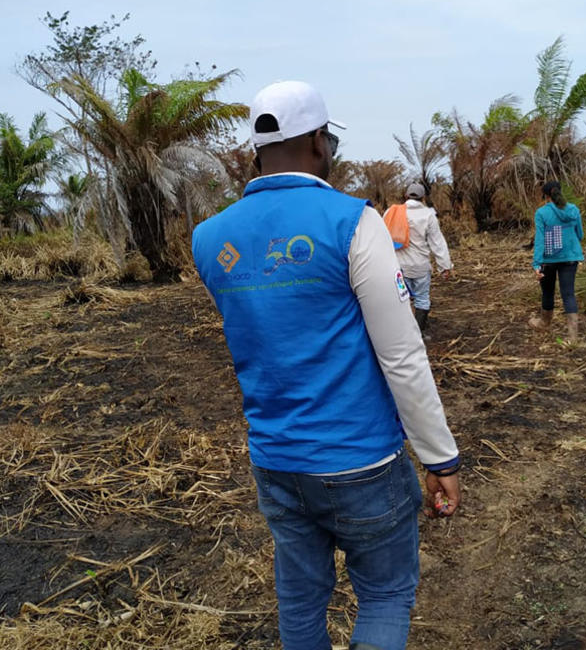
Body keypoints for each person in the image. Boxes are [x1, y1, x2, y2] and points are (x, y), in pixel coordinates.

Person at [191, 80, 461, 650]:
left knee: (301, 602)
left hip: (276, 464)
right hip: (361, 462)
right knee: (385, 596)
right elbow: (402, 353)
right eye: (329, 141)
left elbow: (266, 333)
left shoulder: (209, 239)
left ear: (256, 151)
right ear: (319, 141)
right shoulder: (352, 222)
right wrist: (440, 456)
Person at [382, 183, 453, 333]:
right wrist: (444, 267)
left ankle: (403, 333)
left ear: (406, 196)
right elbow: (437, 243)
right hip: (420, 268)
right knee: (422, 299)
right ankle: (418, 334)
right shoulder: (428, 215)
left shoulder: (391, 212)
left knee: (402, 300)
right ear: (423, 198)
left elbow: (380, 238)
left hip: (398, 269)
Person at [529, 179, 584, 343]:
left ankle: (544, 323)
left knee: (547, 291)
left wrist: (536, 264)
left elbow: (539, 240)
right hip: (570, 258)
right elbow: (580, 235)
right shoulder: (573, 210)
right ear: (560, 191)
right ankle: (573, 338)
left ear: (545, 196)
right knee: (568, 294)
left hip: (548, 260)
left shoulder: (541, 213)